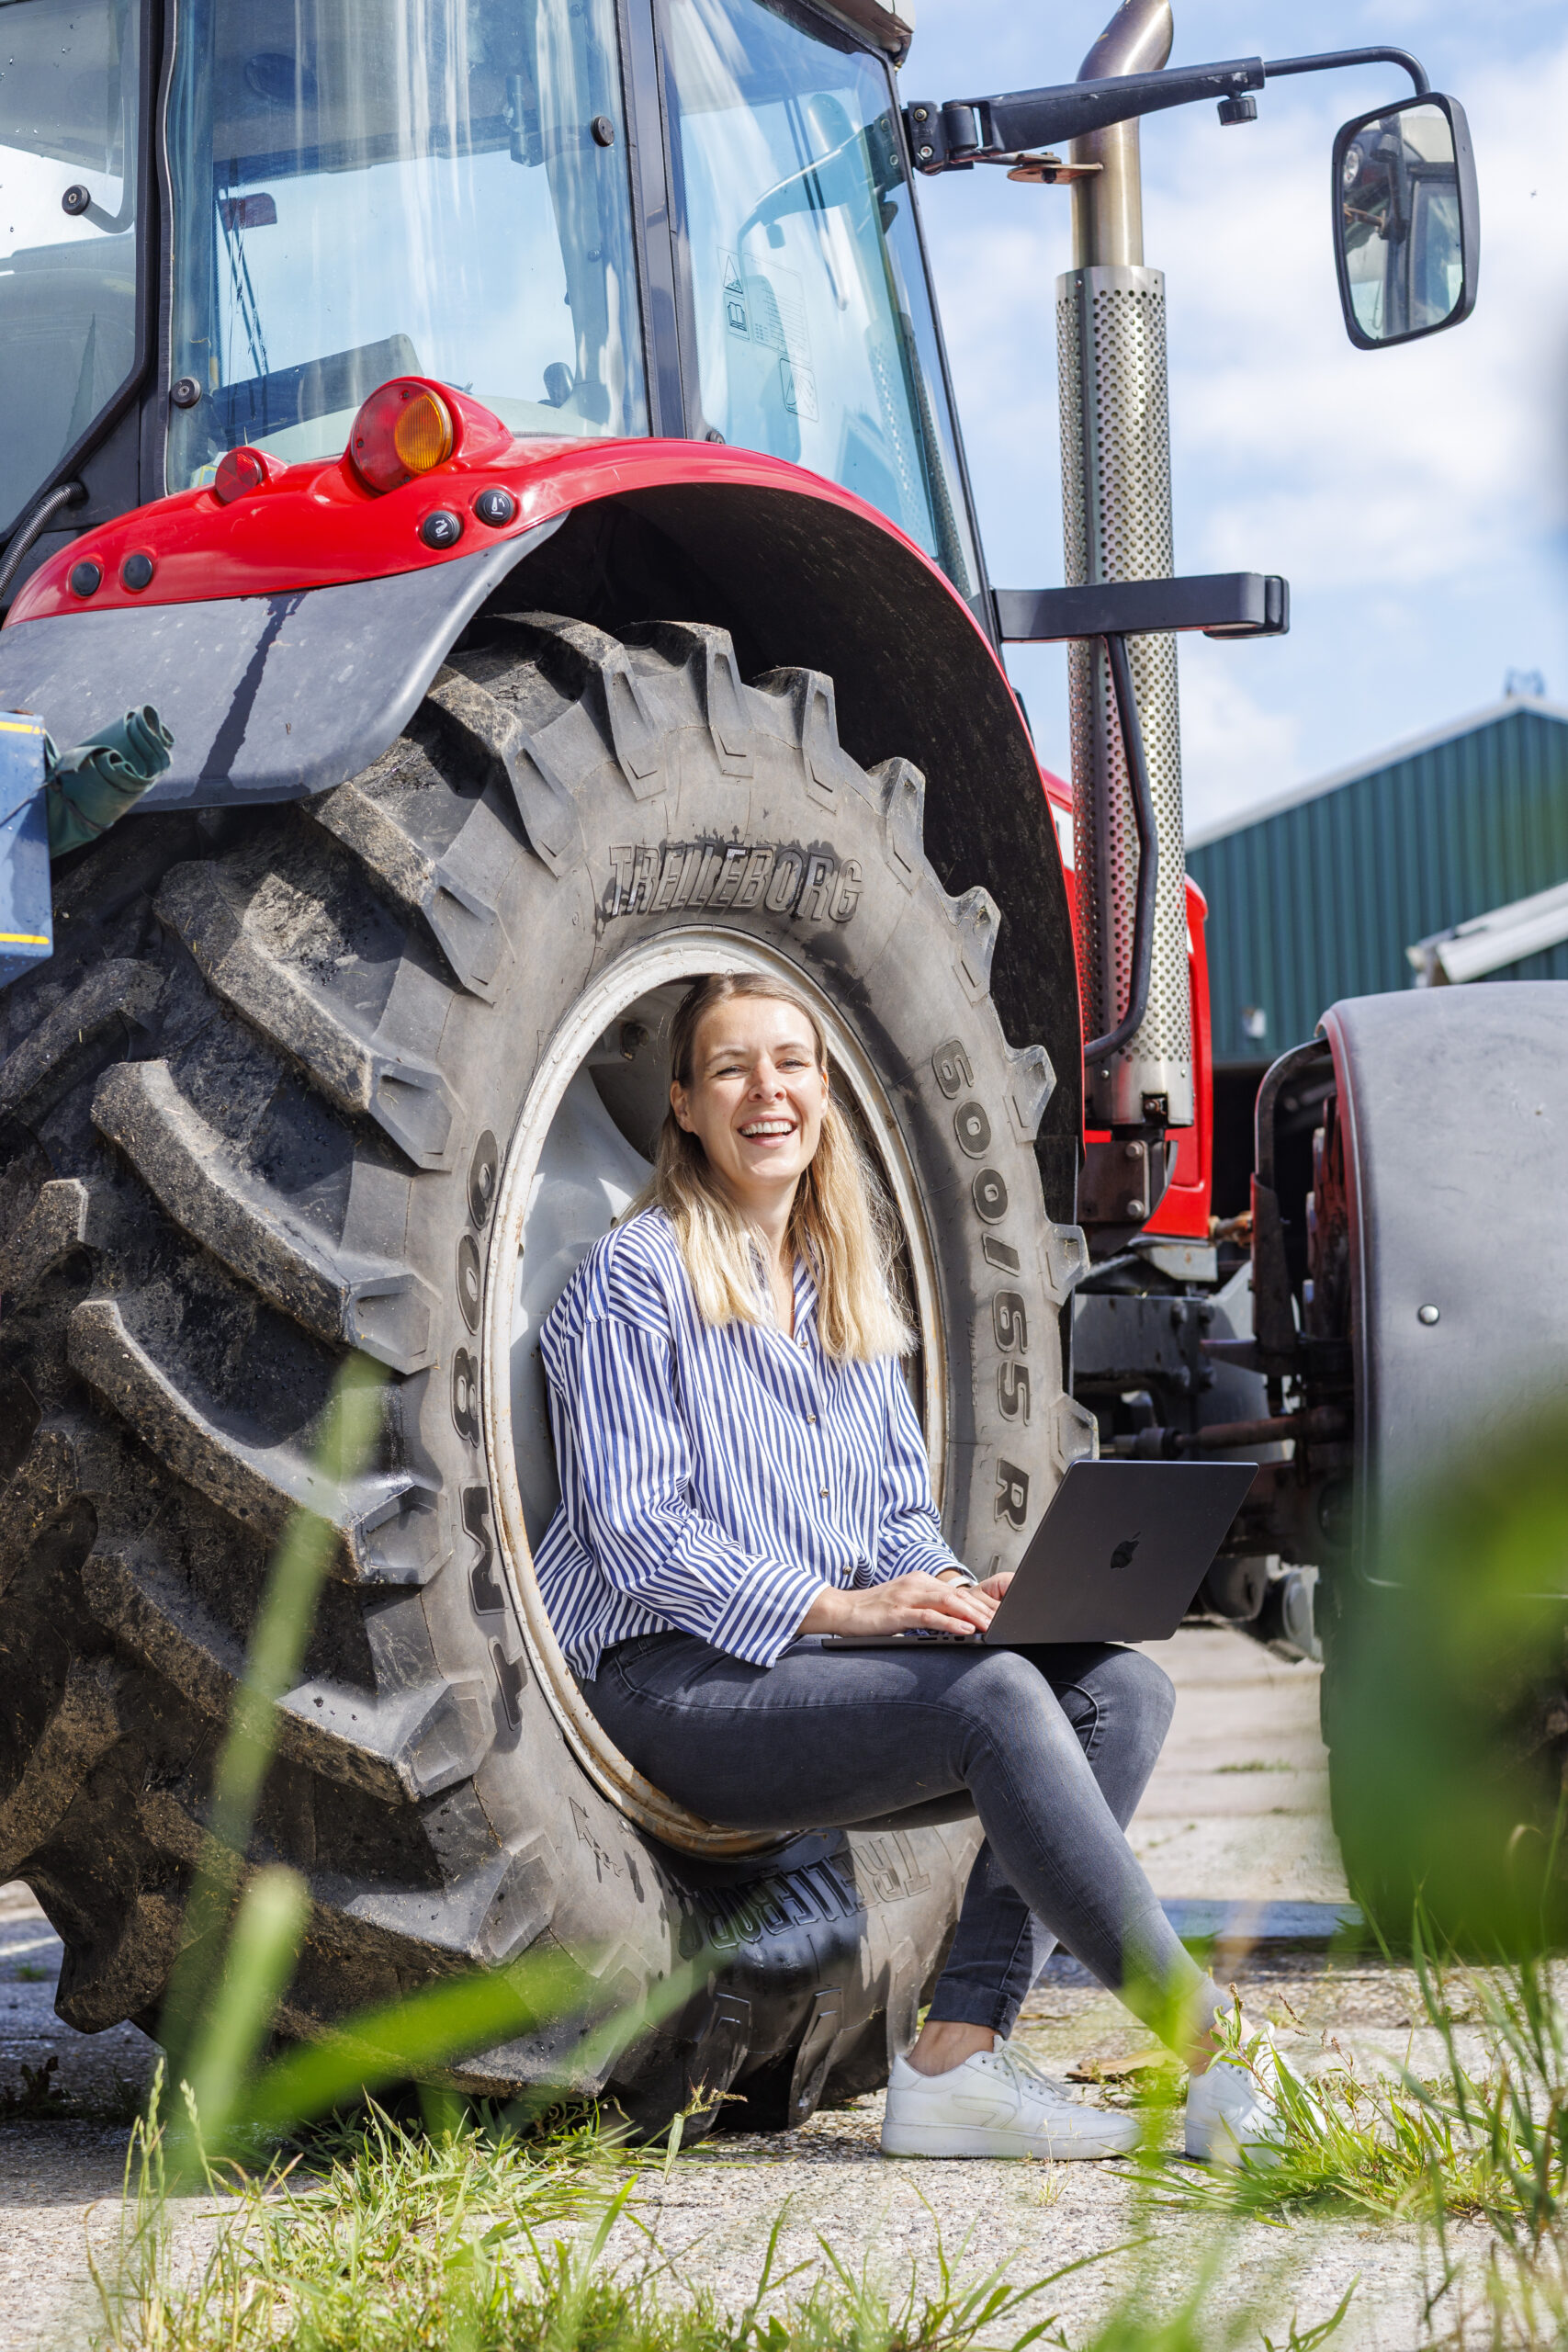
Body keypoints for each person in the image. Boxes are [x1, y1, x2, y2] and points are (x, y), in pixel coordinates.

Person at [534, 972, 1285, 2165]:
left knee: (1121, 1691)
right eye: (731, 1068)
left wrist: (953, 1595)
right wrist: (842, 1609)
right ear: (682, 1104)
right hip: (663, 1677)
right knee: (997, 1703)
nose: (767, 1091)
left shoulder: (839, 1281)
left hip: (798, 1664)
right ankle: (1216, 2046)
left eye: (792, 1064)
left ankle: (958, 2060)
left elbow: (893, 1518)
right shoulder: (637, 1277)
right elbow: (633, 1528)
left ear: (823, 1091)